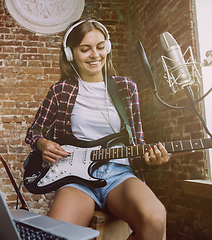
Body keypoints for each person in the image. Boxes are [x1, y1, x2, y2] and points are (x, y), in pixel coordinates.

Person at [25, 19, 170, 240]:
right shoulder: (60, 90)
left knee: (155, 218)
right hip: (76, 180)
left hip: (119, 175)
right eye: (85, 49)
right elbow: (34, 131)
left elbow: (138, 141)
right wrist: (42, 143)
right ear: (71, 53)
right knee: (56, 236)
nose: (95, 54)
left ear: (107, 47)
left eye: (100, 47)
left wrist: (152, 160)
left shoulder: (126, 87)